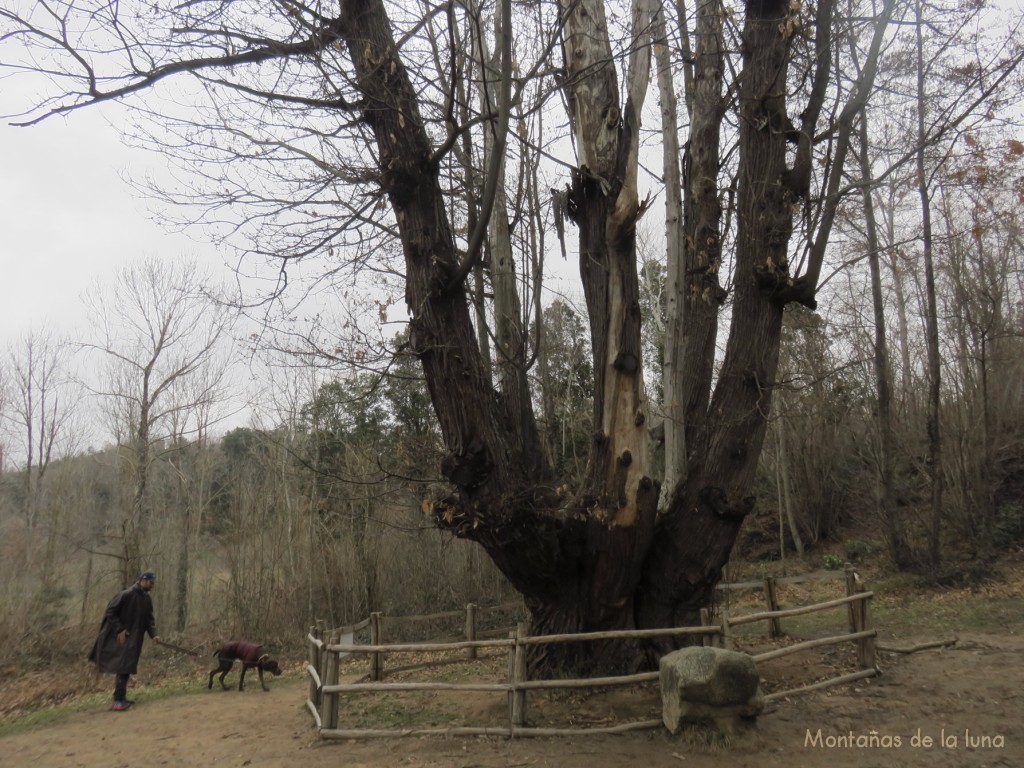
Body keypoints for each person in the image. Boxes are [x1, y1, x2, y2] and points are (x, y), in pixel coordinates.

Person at [88, 571, 162, 711]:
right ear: (143, 580)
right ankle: (118, 701)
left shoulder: (146, 599)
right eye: (150, 583)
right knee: (123, 666)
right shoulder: (126, 594)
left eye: (153, 583)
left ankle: (121, 697)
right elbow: (110, 612)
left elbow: (149, 620)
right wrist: (119, 629)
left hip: (135, 638)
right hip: (121, 637)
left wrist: (154, 635)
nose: (152, 586)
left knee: (126, 667)